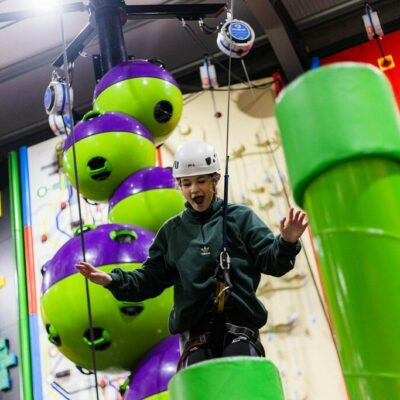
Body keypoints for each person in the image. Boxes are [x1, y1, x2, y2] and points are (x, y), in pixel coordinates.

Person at [76, 140, 308, 369]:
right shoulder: (172, 233)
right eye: (186, 184)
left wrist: (287, 242)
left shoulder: (240, 219)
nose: (194, 189)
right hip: (196, 334)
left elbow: (272, 262)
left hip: (239, 328)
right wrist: (112, 280)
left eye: (201, 181)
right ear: (180, 187)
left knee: (241, 368)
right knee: (199, 377)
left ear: (215, 181)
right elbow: (149, 279)